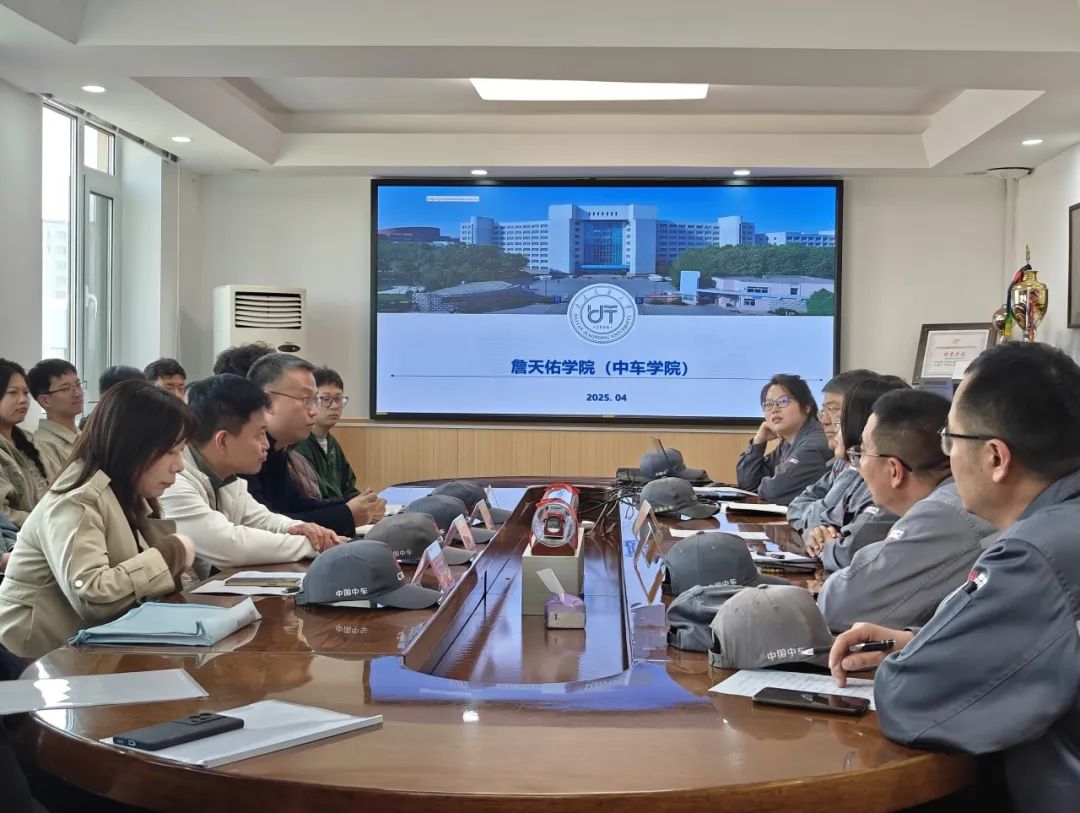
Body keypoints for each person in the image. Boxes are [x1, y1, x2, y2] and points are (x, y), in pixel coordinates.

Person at [830, 342, 1080, 813]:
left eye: (951, 439)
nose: (945, 457)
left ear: (995, 458)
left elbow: (913, 698)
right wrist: (916, 640)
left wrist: (918, 657)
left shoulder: (1035, 553)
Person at [0, 380, 195, 659]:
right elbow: (92, 597)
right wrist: (169, 555)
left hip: (90, 651)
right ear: (131, 446)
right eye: (170, 451)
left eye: (181, 451)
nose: (180, 465)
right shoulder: (78, 500)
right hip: (39, 661)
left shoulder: (127, 492)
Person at [816, 389, 998, 632]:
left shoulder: (940, 514)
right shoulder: (951, 499)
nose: (860, 464)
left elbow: (839, 605)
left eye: (863, 452)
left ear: (894, 470)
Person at [160, 374, 342, 571]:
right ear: (223, 440)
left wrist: (302, 529)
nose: (266, 444)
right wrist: (314, 546)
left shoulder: (227, 478)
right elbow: (229, 546)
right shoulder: (174, 481)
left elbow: (262, 520)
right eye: (259, 434)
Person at [244, 354, 383, 536]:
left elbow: (295, 504)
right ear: (268, 402)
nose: (314, 411)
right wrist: (346, 514)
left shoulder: (278, 449)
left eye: (315, 400)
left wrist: (357, 506)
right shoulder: (244, 451)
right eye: (305, 400)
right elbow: (267, 524)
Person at [805, 375, 908, 569]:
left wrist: (825, 545)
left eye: (840, 421)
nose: (832, 427)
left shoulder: (885, 482)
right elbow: (820, 521)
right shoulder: (858, 476)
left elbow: (849, 554)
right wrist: (815, 535)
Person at [787, 368, 875, 531]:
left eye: (834, 410)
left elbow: (818, 522)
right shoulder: (842, 463)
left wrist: (815, 529)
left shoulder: (868, 468)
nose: (825, 420)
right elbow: (796, 507)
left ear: (860, 415)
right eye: (824, 411)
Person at [736, 373, 832, 505]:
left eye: (783, 401)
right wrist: (758, 442)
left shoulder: (815, 444)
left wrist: (761, 485)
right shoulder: (787, 443)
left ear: (806, 407)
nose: (774, 409)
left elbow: (774, 491)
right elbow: (747, 483)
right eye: (768, 404)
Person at [293, 367, 361, 501]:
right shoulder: (298, 444)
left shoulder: (332, 443)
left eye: (338, 399)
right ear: (310, 401)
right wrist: (351, 507)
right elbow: (315, 498)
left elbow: (349, 489)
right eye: (326, 399)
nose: (334, 406)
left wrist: (366, 503)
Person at [0, 360, 48, 526]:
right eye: (13, 393)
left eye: (25, 392)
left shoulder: (26, 439)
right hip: (19, 537)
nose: (23, 400)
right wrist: (44, 523)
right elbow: (3, 514)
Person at [27, 358, 83, 480]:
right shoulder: (42, 445)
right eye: (65, 389)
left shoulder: (83, 435)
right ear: (45, 401)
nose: (77, 393)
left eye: (78, 385)